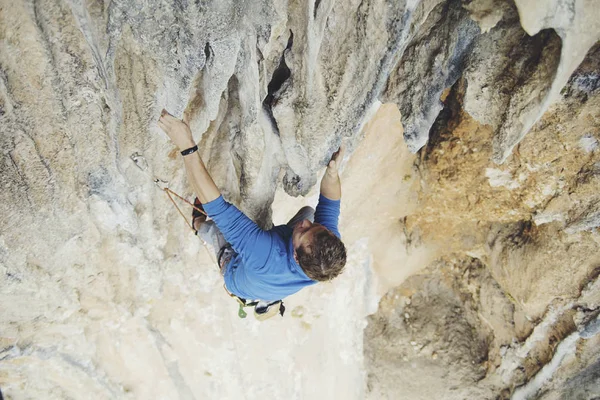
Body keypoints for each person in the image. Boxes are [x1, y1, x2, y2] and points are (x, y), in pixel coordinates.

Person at [157, 109, 346, 307]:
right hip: (274, 277)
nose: (306, 224)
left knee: (215, 229)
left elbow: (218, 208)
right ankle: (270, 295)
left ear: (297, 257)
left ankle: (198, 225)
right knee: (309, 211)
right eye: (315, 228)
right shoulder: (325, 252)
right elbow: (330, 202)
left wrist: (186, 145)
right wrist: (332, 172)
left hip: (238, 279)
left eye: (304, 231)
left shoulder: (265, 254)